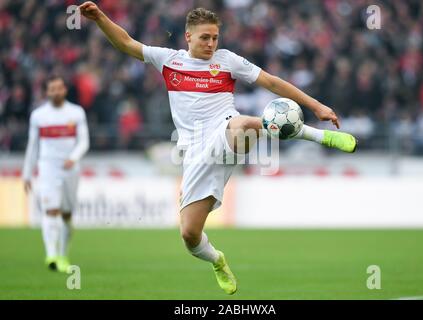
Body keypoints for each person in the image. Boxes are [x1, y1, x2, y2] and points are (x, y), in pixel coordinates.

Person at [79, 2, 357, 294]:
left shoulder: (227, 60)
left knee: (245, 124)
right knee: (189, 234)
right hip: (195, 151)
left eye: (214, 37)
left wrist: (316, 105)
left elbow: (272, 82)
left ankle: (320, 137)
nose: (211, 43)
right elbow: (125, 43)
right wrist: (99, 17)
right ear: (188, 37)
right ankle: (217, 260)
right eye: (204, 38)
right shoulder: (169, 60)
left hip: (225, 128)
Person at [22, 76, 89, 273]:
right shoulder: (38, 116)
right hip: (48, 169)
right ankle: (51, 255)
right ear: (47, 92)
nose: (56, 92)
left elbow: (84, 141)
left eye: (59, 88)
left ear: (64, 90)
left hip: (70, 170)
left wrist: (74, 157)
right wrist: (27, 173)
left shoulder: (76, 113)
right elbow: (33, 147)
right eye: (52, 89)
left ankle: (62, 254)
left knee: (67, 215)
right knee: (51, 210)